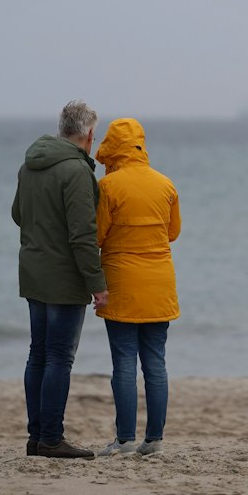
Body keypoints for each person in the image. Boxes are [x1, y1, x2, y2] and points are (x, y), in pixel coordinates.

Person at [11, 100, 108, 459]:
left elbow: (18, 213)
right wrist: (97, 284)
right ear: (88, 135)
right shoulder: (76, 172)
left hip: (33, 271)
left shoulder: (30, 164)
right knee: (58, 358)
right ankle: (51, 438)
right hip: (64, 278)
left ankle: (36, 436)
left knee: (38, 354)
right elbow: (83, 235)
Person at [93, 118, 181, 457]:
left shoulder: (109, 187)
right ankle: (154, 440)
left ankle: (125, 440)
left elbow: (97, 235)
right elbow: (172, 233)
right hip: (160, 281)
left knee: (124, 363)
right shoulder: (165, 184)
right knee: (156, 363)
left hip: (122, 283)